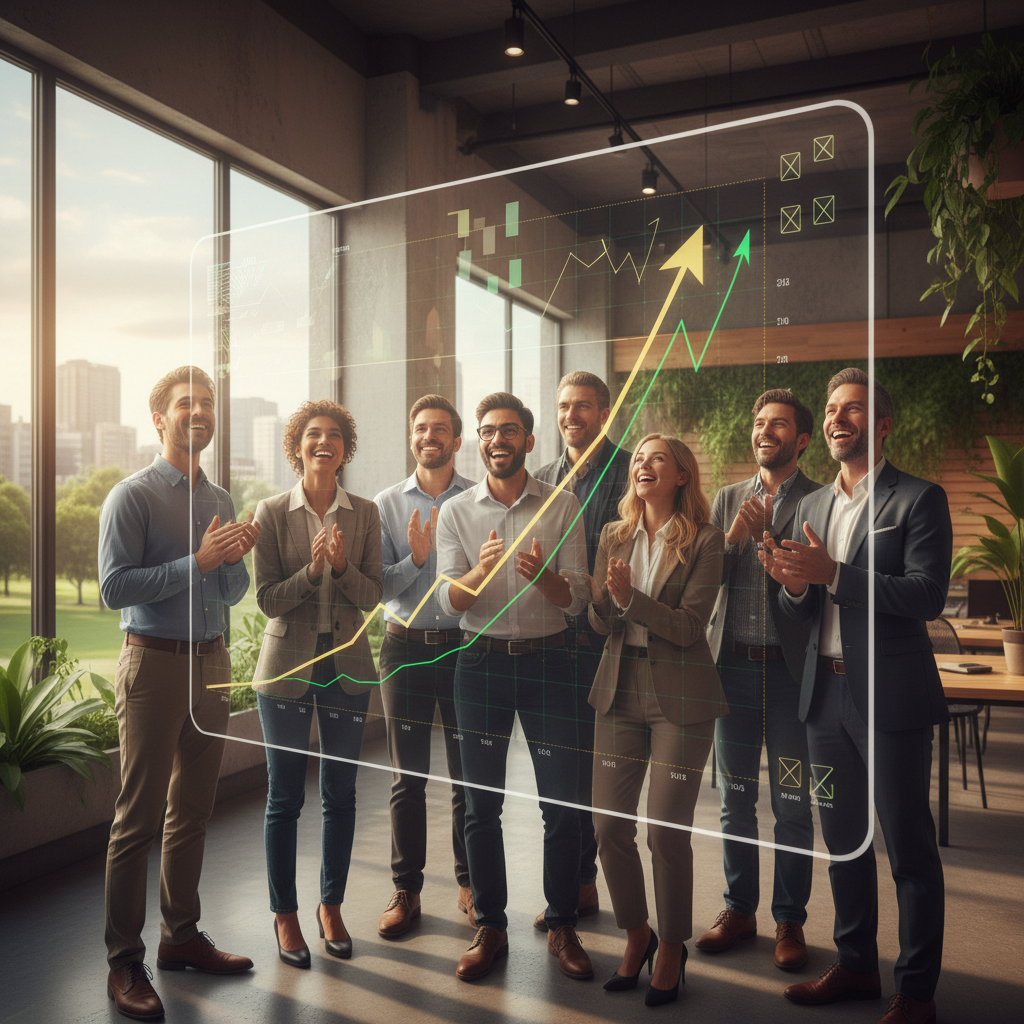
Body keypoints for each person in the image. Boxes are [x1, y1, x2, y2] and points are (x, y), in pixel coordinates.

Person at [762, 368, 951, 1024]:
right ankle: (854, 966)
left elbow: (927, 595)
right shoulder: (810, 507)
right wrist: (791, 582)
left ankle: (917, 992)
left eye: (854, 410)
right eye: (834, 409)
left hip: (891, 698)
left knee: (908, 847)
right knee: (842, 841)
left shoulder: (919, 499)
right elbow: (803, 607)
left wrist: (835, 573)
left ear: (884, 426)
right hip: (823, 700)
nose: (839, 419)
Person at [99, 366, 259, 1021]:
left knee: (192, 810)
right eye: (184, 404)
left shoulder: (218, 496)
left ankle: (181, 936)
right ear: (158, 417)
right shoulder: (130, 497)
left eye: (207, 404)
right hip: (154, 667)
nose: (198, 412)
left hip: (210, 665)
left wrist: (234, 559)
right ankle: (123, 961)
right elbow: (115, 589)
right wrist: (196, 561)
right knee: (137, 820)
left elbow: (229, 594)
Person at [434, 392, 591, 982]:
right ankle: (490, 926)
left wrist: (545, 579)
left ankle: (563, 923)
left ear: (529, 439)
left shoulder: (563, 503)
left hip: (552, 666)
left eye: (508, 430)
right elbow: (450, 602)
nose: (495, 439)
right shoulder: (457, 512)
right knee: (480, 805)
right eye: (486, 431)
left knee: (562, 804)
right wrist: (481, 569)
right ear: (478, 442)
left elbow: (576, 600)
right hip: (479, 666)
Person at [589, 433, 728, 1007]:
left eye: (658, 459)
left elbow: (691, 626)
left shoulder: (706, 540)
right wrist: (606, 602)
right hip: (619, 692)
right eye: (639, 459)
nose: (644, 465)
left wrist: (631, 600)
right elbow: (601, 623)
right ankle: (636, 932)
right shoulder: (612, 536)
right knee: (608, 827)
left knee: (666, 831)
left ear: (680, 476)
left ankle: (671, 945)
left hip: (681, 697)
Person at [251, 399, 382, 968]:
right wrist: (311, 571)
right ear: (296, 446)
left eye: (333, 435)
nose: (323, 442)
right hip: (285, 673)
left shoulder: (365, 513)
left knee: (340, 795)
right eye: (312, 434)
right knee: (284, 798)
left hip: (347, 671)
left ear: (345, 450)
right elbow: (265, 601)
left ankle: (331, 906)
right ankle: (285, 914)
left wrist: (342, 567)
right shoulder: (272, 511)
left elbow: (373, 597)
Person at [698, 389, 820, 970]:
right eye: (759, 422)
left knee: (794, 803)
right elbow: (703, 581)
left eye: (779, 424)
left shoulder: (821, 502)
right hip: (734, 674)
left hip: (795, 679)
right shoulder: (725, 501)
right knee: (735, 801)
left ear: (800, 439)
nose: (765, 431)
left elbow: (818, 594)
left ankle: (789, 920)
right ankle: (739, 907)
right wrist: (735, 539)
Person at [373, 394, 475, 937]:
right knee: (406, 778)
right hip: (404, 647)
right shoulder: (385, 504)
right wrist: (415, 558)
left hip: (464, 648)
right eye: (420, 428)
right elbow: (376, 587)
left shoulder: (479, 500)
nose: (428, 435)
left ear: (457, 441)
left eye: (439, 428)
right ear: (411, 438)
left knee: (467, 776)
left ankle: (470, 883)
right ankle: (405, 890)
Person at [533, 370, 632, 931]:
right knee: (559, 774)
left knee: (600, 774)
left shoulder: (628, 473)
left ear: (604, 411)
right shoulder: (542, 477)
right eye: (565, 406)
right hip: (551, 642)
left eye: (584, 407)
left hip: (607, 640)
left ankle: (589, 881)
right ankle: (575, 884)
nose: (573, 416)